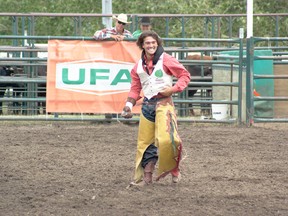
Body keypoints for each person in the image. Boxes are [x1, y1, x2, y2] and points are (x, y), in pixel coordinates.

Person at [122, 31, 191, 186]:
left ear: (157, 43)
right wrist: (128, 105)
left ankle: (174, 169)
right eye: (147, 43)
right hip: (147, 106)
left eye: (153, 43)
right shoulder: (138, 67)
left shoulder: (166, 59)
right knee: (145, 144)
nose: (151, 45)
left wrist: (172, 90)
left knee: (168, 140)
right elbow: (135, 88)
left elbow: (184, 75)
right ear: (142, 45)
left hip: (164, 104)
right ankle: (146, 178)